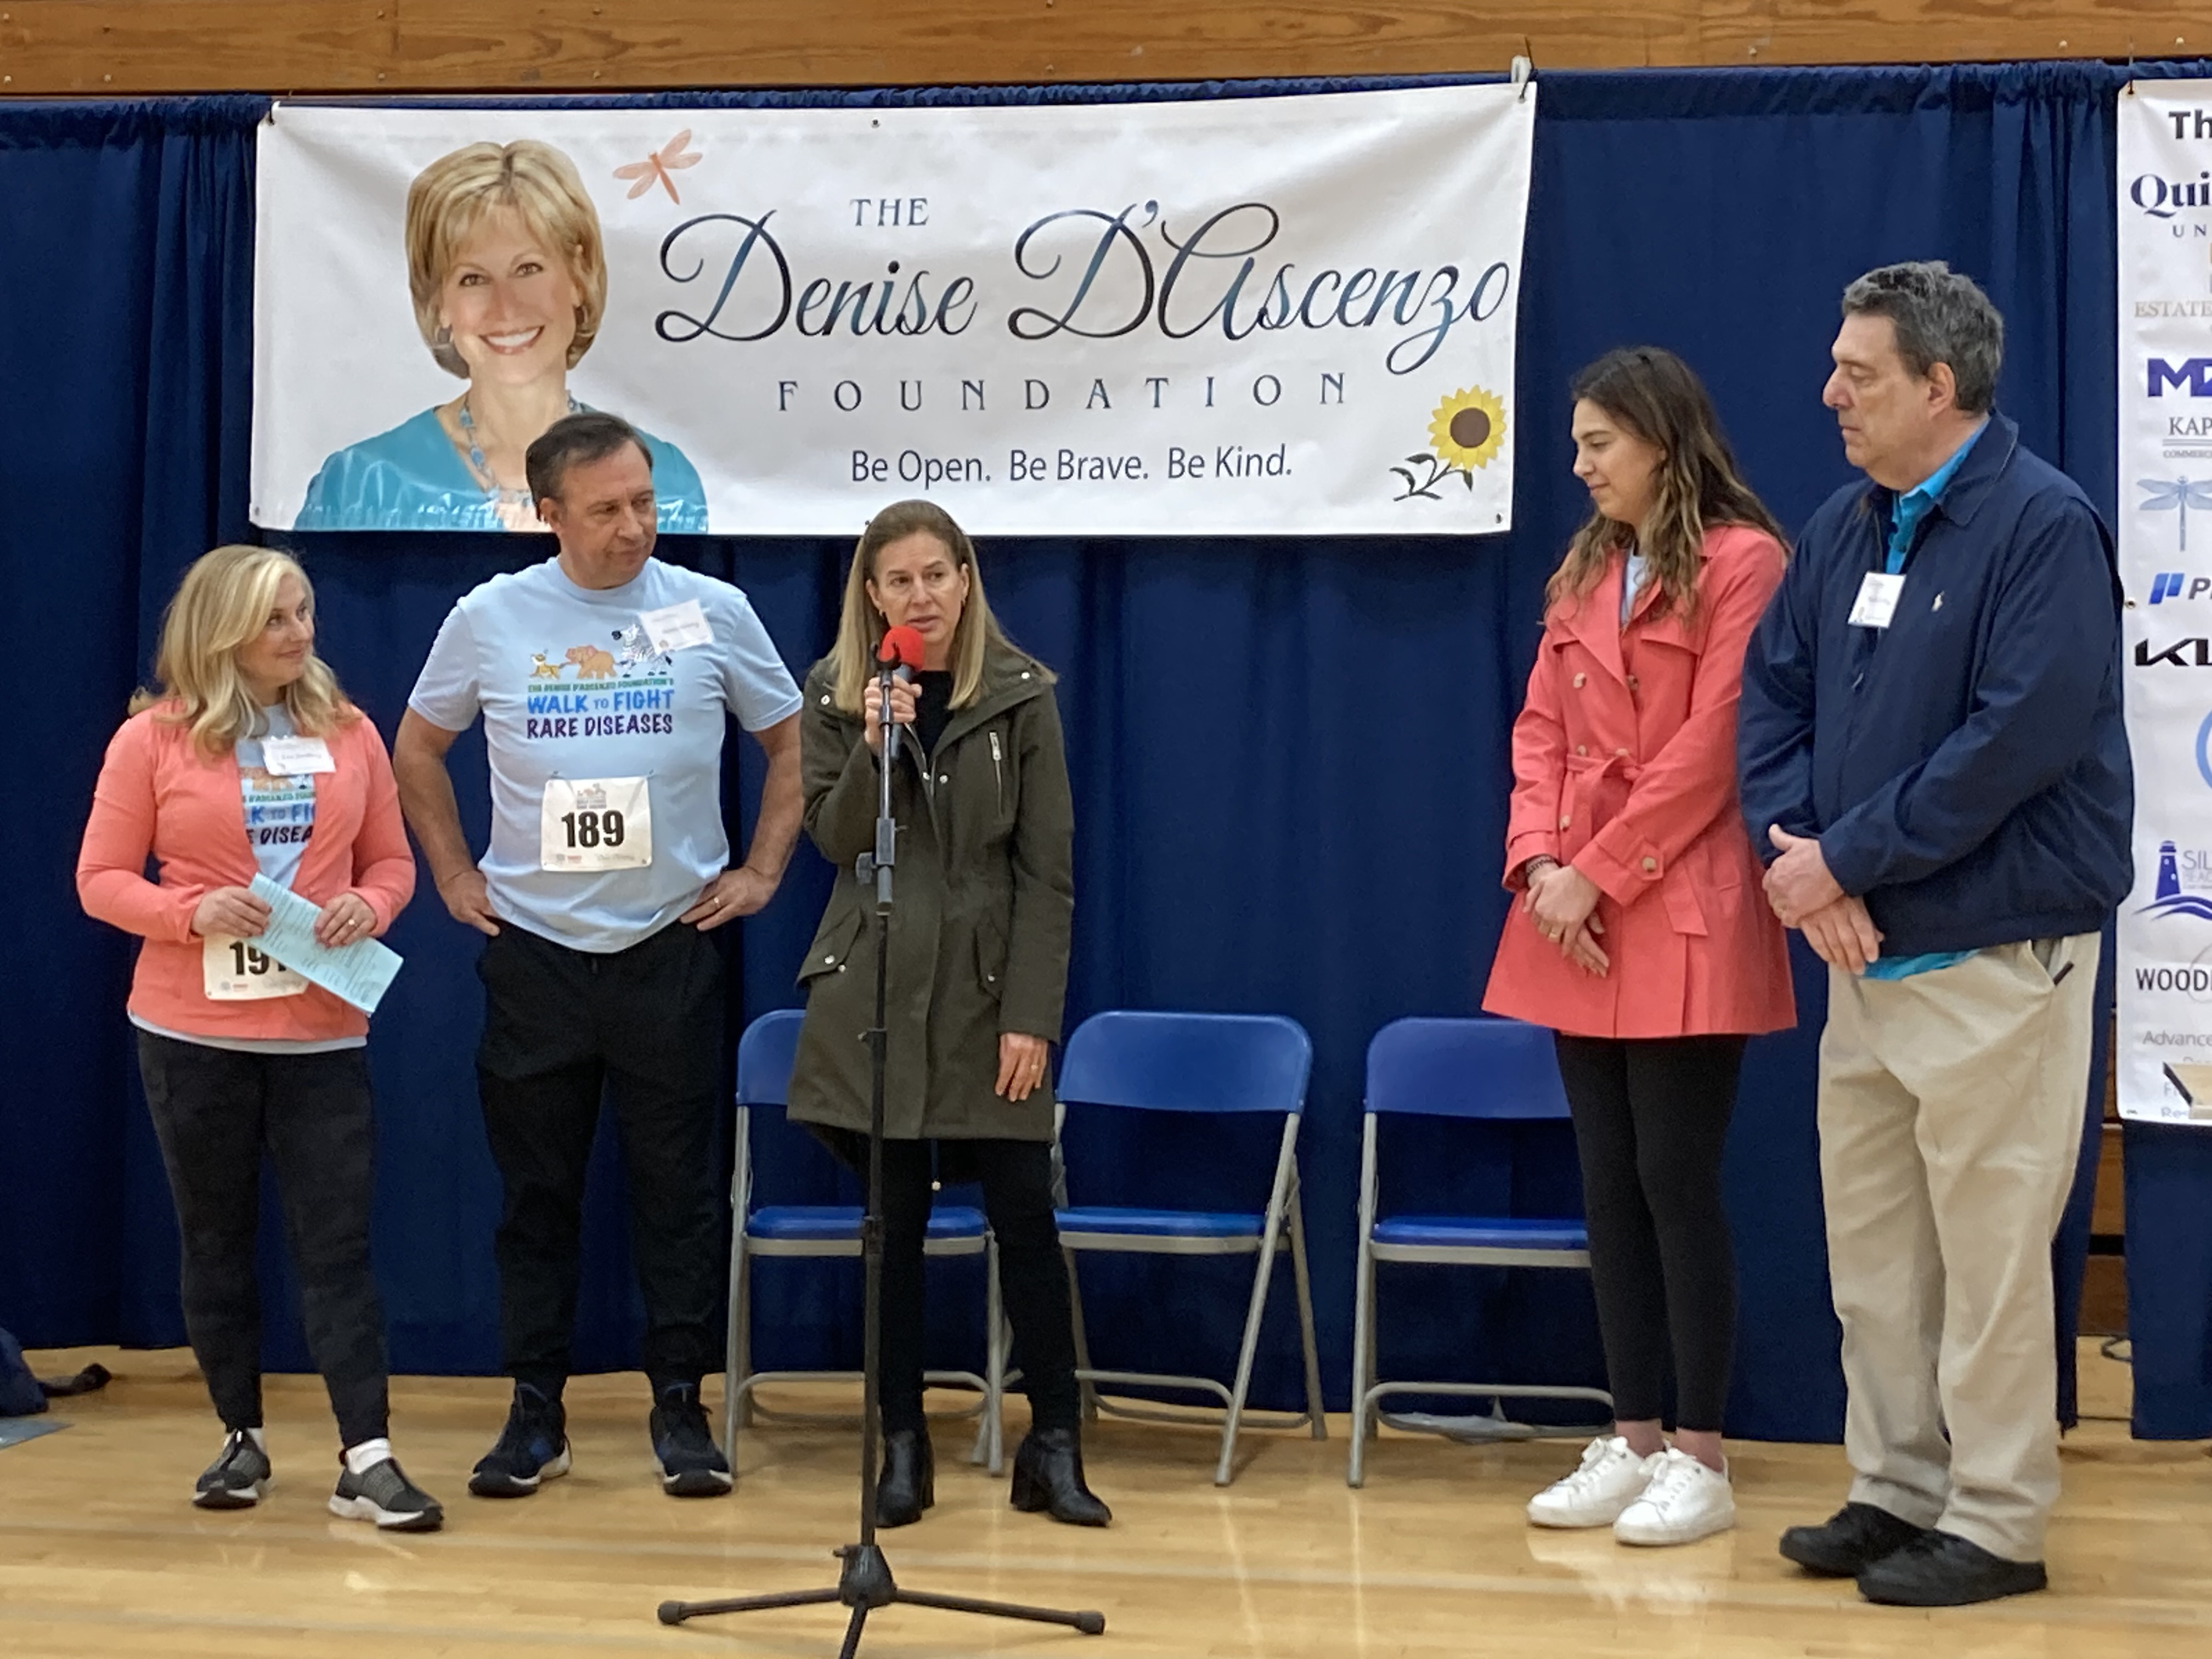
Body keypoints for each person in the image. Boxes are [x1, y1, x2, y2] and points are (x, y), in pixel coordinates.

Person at [1739, 261, 2131, 1607]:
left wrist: (1845, 859)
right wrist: (1805, 865)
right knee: (1878, 1257)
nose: (1830, 394)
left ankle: (2000, 1521)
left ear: (1939, 385)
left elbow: (2017, 739)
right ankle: (1896, 1487)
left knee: (1992, 1261)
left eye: (1858, 373)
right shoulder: (1846, 528)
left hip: (1997, 955)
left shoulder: (2042, 525)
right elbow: (1772, 703)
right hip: (1864, 958)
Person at [392, 410, 802, 1498]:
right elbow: (418, 747)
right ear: (550, 514)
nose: (632, 526)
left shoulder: (712, 610)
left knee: (678, 1191)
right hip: (536, 953)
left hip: (670, 945)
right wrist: (453, 874)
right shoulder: (491, 616)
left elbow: (791, 739)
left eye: (644, 502)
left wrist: (762, 869)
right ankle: (536, 1409)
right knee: (537, 1193)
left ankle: (680, 1402)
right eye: (607, 508)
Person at [1483, 348, 1794, 1548]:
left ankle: (1701, 1456)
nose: (1579, 465)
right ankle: (1634, 1434)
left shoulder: (1744, 561)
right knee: (1606, 1184)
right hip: (1571, 913)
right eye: (1576, 444)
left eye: (1597, 442)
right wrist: (1538, 867)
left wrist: (1597, 874)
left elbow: (1715, 747)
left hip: (1679, 909)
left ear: (1662, 440)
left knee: (1675, 1179)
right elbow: (1537, 733)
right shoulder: (1583, 571)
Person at [77, 545, 441, 1531]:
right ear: (222, 630)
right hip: (191, 1030)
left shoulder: (348, 730)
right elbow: (100, 879)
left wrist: (370, 905)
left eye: (305, 611)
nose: (300, 632)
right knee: (215, 1237)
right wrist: (188, 913)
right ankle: (240, 1433)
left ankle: (367, 1456)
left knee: (337, 1247)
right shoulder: (151, 740)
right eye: (277, 617)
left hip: (320, 1032)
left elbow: (393, 864)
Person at [787, 499, 1109, 1530]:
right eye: (899, 580)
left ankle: (1053, 1442)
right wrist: (874, 744)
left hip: (985, 995)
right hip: (875, 991)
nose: (920, 595)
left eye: (937, 574)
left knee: (1024, 1214)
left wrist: (1032, 1015)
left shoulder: (1021, 695)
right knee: (892, 1227)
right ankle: (900, 1443)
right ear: (871, 593)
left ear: (966, 580)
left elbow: (1047, 875)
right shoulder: (835, 694)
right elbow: (836, 840)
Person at [296, 138, 708, 533]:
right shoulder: (363, 486)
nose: (506, 307)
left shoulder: (665, 483)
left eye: (528, 269)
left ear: (578, 279)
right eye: (473, 279)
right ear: (439, 303)